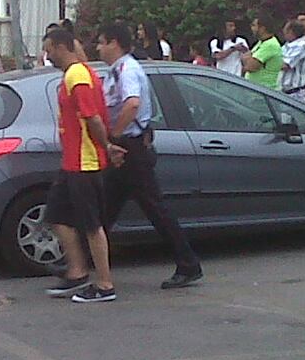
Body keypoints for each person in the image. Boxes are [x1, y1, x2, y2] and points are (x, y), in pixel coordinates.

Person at [97, 24, 203, 289]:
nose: (97, 48)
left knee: (156, 209)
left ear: (114, 43)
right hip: (128, 146)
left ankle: (188, 264)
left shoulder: (127, 69)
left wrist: (115, 137)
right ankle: (85, 260)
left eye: (101, 42)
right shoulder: (115, 71)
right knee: (105, 207)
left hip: (131, 148)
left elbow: (132, 104)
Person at [42, 28, 121, 303]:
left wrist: (107, 147)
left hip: (85, 162)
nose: (47, 55)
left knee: (91, 225)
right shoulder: (74, 74)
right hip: (71, 163)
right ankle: (77, 272)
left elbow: (92, 117)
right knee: (56, 214)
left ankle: (104, 284)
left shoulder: (77, 75)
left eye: (49, 49)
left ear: (62, 48)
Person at [242, 12, 283, 90]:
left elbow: (250, 66)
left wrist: (247, 59)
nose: (252, 28)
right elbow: (246, 58)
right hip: (255, 90)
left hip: (264, 91)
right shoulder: (261, 42)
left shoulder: (270, 45)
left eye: (254, 25)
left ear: (262, 28)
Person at [278, 20, 305, 102]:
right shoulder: (286, 45)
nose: (283, 31)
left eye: (285, 29)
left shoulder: (300, 46)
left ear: (291, 31)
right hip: (282, 92)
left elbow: (285, 65)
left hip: (294, 94)